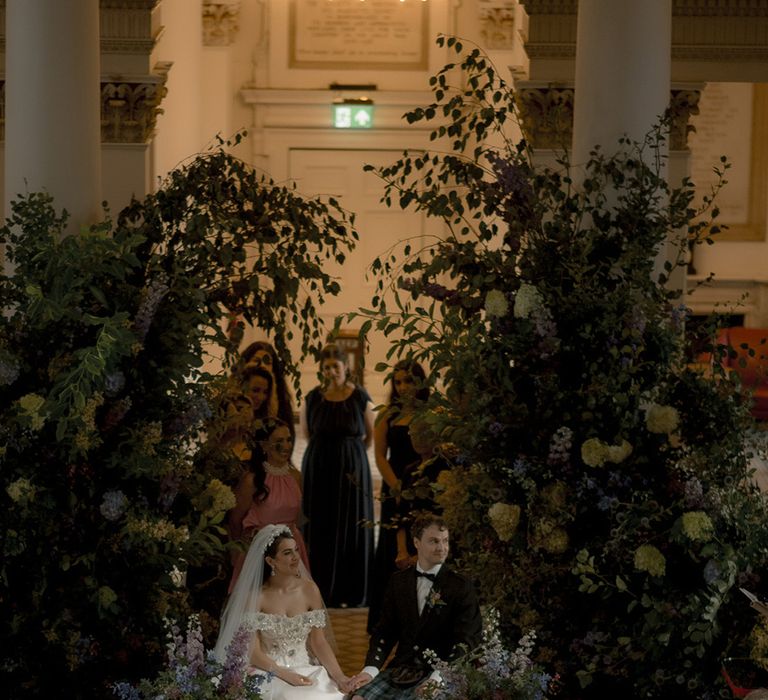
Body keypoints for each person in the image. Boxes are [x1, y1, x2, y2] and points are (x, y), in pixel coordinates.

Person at [347, 514, 482, 700]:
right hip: (401, 669)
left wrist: (439, 678)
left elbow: (467, 641)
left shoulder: (460, 586)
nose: (442, 548)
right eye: (434, 541)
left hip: (440, 672)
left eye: (445, 541)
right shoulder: (398, 582)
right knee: (358, 698)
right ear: (417, 542)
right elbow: (384, 632)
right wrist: (369, 670)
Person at [214, 524, 352, 699]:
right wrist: (285, 675)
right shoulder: (256, 597)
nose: (296, 558)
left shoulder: (310, 590)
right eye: (287, 553)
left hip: (306, 670)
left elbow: (319, 642)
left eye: (296, 550)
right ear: (271, 561)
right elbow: (252, 651)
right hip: (268, 671)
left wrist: (339, 676)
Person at [301, 343, 375, 608]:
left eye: (336, 366)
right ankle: (322, 591)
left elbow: (369, 435)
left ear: (346, 367)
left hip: (352, 467)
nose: (331, 371)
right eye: (327, 367)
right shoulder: (313, 397)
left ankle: (352, 591)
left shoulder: (359, 397)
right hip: (319, 467)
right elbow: (308, 433)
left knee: (352, 524)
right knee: (322, 525)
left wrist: (350, 454)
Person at [367, 360, 429, 633]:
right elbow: (380, 454)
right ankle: (387, 619)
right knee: (394, 548)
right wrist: (396, 486)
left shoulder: (430, 412)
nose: (403, 387)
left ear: (420, 383)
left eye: (409, 381)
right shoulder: (388, 414)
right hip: (397, 487)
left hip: (425, 484)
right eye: (398, 381)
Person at [228, 418, 309, 592]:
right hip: (260, 551)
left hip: (291, 548)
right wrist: (236, 551)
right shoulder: (252, 480)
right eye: (279, 441)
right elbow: (235, 520)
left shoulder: (296, 477)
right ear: (264, 446)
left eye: (288, 439)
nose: (287, 446)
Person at [240, 340, 296, 436]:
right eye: (256, 361)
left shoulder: (281, 400)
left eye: (267, 363)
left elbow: (288, 439)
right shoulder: (232, 397)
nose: (262, 366)